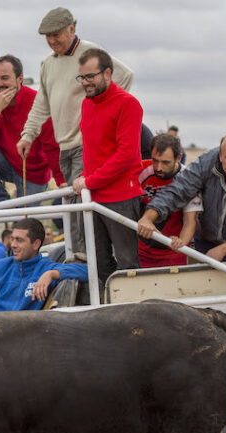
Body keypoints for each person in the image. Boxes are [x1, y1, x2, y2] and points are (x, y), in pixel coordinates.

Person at [16, 7, 133, 253]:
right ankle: (78, 257)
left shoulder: (90, 54)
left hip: (85, 145)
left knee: (81, 205)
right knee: (71, 203)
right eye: (47, 37)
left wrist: (99, 112)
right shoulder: (47, 63)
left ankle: (81, 260)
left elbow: (125, 76)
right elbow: (42, 103)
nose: (52, 41)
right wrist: (28, 134)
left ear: (72, 28)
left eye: (56, 34)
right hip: (64, 147)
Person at [142, 134, 226, 288]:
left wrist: (223, 249)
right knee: (210, 287)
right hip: (208, 237)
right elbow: (178, 189)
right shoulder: (205, 164)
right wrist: (148, 217)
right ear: (220, 156)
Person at [71, 47, 143, 282]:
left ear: (108, 74)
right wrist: (85, 177)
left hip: (121, 197)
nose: (85, 83)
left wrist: (89, 181)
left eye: (90, 76)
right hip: (93, 197)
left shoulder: (128, 104)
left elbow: (127, 155)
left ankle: (135, 315)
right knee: (98, 264)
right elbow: (93, 151)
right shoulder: (86, 105)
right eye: (82, 77)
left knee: (127, 265)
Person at [0, 54, 62, 204]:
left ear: (20, 79)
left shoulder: (37, 101)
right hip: (5, 162)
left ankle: (16, 213)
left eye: (5, 78)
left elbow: (51, 144)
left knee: (23, 222)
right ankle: (0, 202)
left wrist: (59, 178)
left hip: (32, 172)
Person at [0, 218, 87, 313]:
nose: (13, 245)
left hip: (30, 335)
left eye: (19, 240)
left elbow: (86, 271)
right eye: (12, 239)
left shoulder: (47, 268)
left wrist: (52, 274)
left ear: (36, 244)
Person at [135, 133, 199, 268]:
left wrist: (180, 243)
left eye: (165, 162)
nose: (158, 167)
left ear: (179, 158)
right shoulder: (142, 170)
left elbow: (190, 221)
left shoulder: (190, 180)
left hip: (173, 253)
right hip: (141, 252)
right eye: (155, 160)